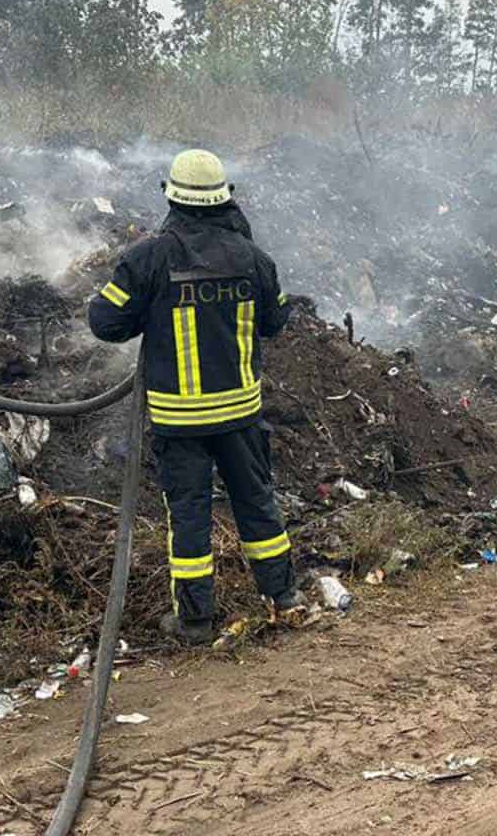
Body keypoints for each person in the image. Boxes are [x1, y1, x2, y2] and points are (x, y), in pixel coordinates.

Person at [88, 150, 303, 645]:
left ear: (172, 197)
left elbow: (105, 321)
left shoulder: (149, 258)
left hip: (180, 419)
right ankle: (283, 596)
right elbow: (276, 320)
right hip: (240, 415)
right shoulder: (254, 258)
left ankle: (195, 621)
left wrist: (151, 308)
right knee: (257, 503)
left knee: (188, 516)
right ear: (225, 198)